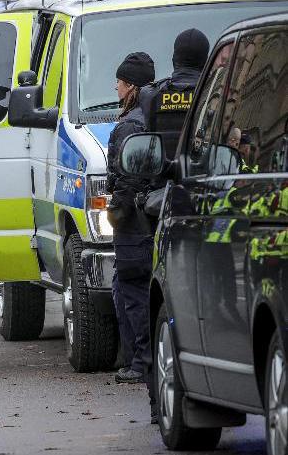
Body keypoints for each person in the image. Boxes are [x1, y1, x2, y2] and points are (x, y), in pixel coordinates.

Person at [106, 52, 156, 392]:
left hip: (134, 224)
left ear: (132, 87)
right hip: (153, 219)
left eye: (120, 82)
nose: (116, 87)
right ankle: (138, 360)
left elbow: (127, 176)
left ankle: (140, 363)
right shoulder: (157, 115)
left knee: (131, 292)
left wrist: (116, 211)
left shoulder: (130, 125)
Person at [139, 28, 209, 160]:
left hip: (162, 177)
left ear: (173, 60)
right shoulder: (213, 93)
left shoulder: (149, 94)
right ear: (206, 61)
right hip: (201, 176)